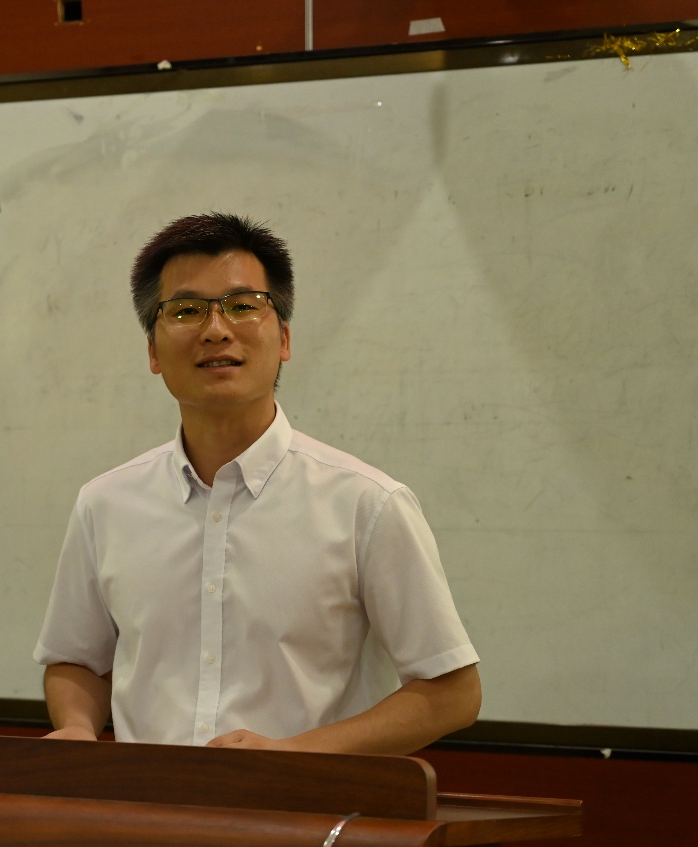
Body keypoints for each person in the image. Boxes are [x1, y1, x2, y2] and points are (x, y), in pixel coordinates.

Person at [33, 212, 481, 754]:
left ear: (284, 337)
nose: (216, 330)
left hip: (303, 804)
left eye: (243, 306)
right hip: (146, 802)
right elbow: (77, 660)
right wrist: (77, 727)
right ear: (152, 350)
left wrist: (293, 756)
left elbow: (452, 693)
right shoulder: (105, 503)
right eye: (186, 311)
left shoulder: (367, 504)